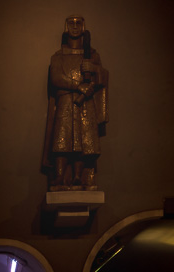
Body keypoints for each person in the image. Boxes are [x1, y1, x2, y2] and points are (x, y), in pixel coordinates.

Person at [42, 15, 108, 190]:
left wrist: (93, 69)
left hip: (85, 103)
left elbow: (103, 76)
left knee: (83, 141)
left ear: (84, 27)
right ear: (66, 27)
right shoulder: (57, 56)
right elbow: (56, 78)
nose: (75, 26)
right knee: (62, 141)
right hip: (65, 101)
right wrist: (78, 86)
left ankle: (80, 177)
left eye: (79, 23)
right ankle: (60, 177)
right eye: (71, 23)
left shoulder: (92, 55)